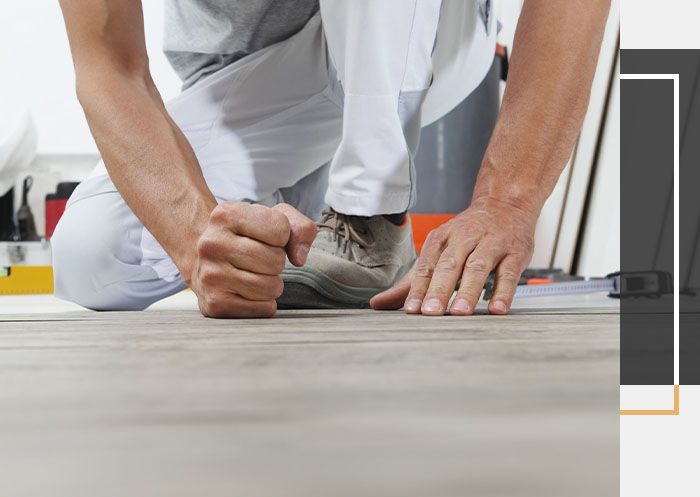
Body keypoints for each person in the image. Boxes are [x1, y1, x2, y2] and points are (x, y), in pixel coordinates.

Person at [52, 0, 611, 318]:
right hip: (260, 85)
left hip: (423, 34)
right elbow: (108, 65)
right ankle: (290, 225)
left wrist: (506, 201)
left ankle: (369, 218)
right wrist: (198, 239)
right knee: (94, 253)